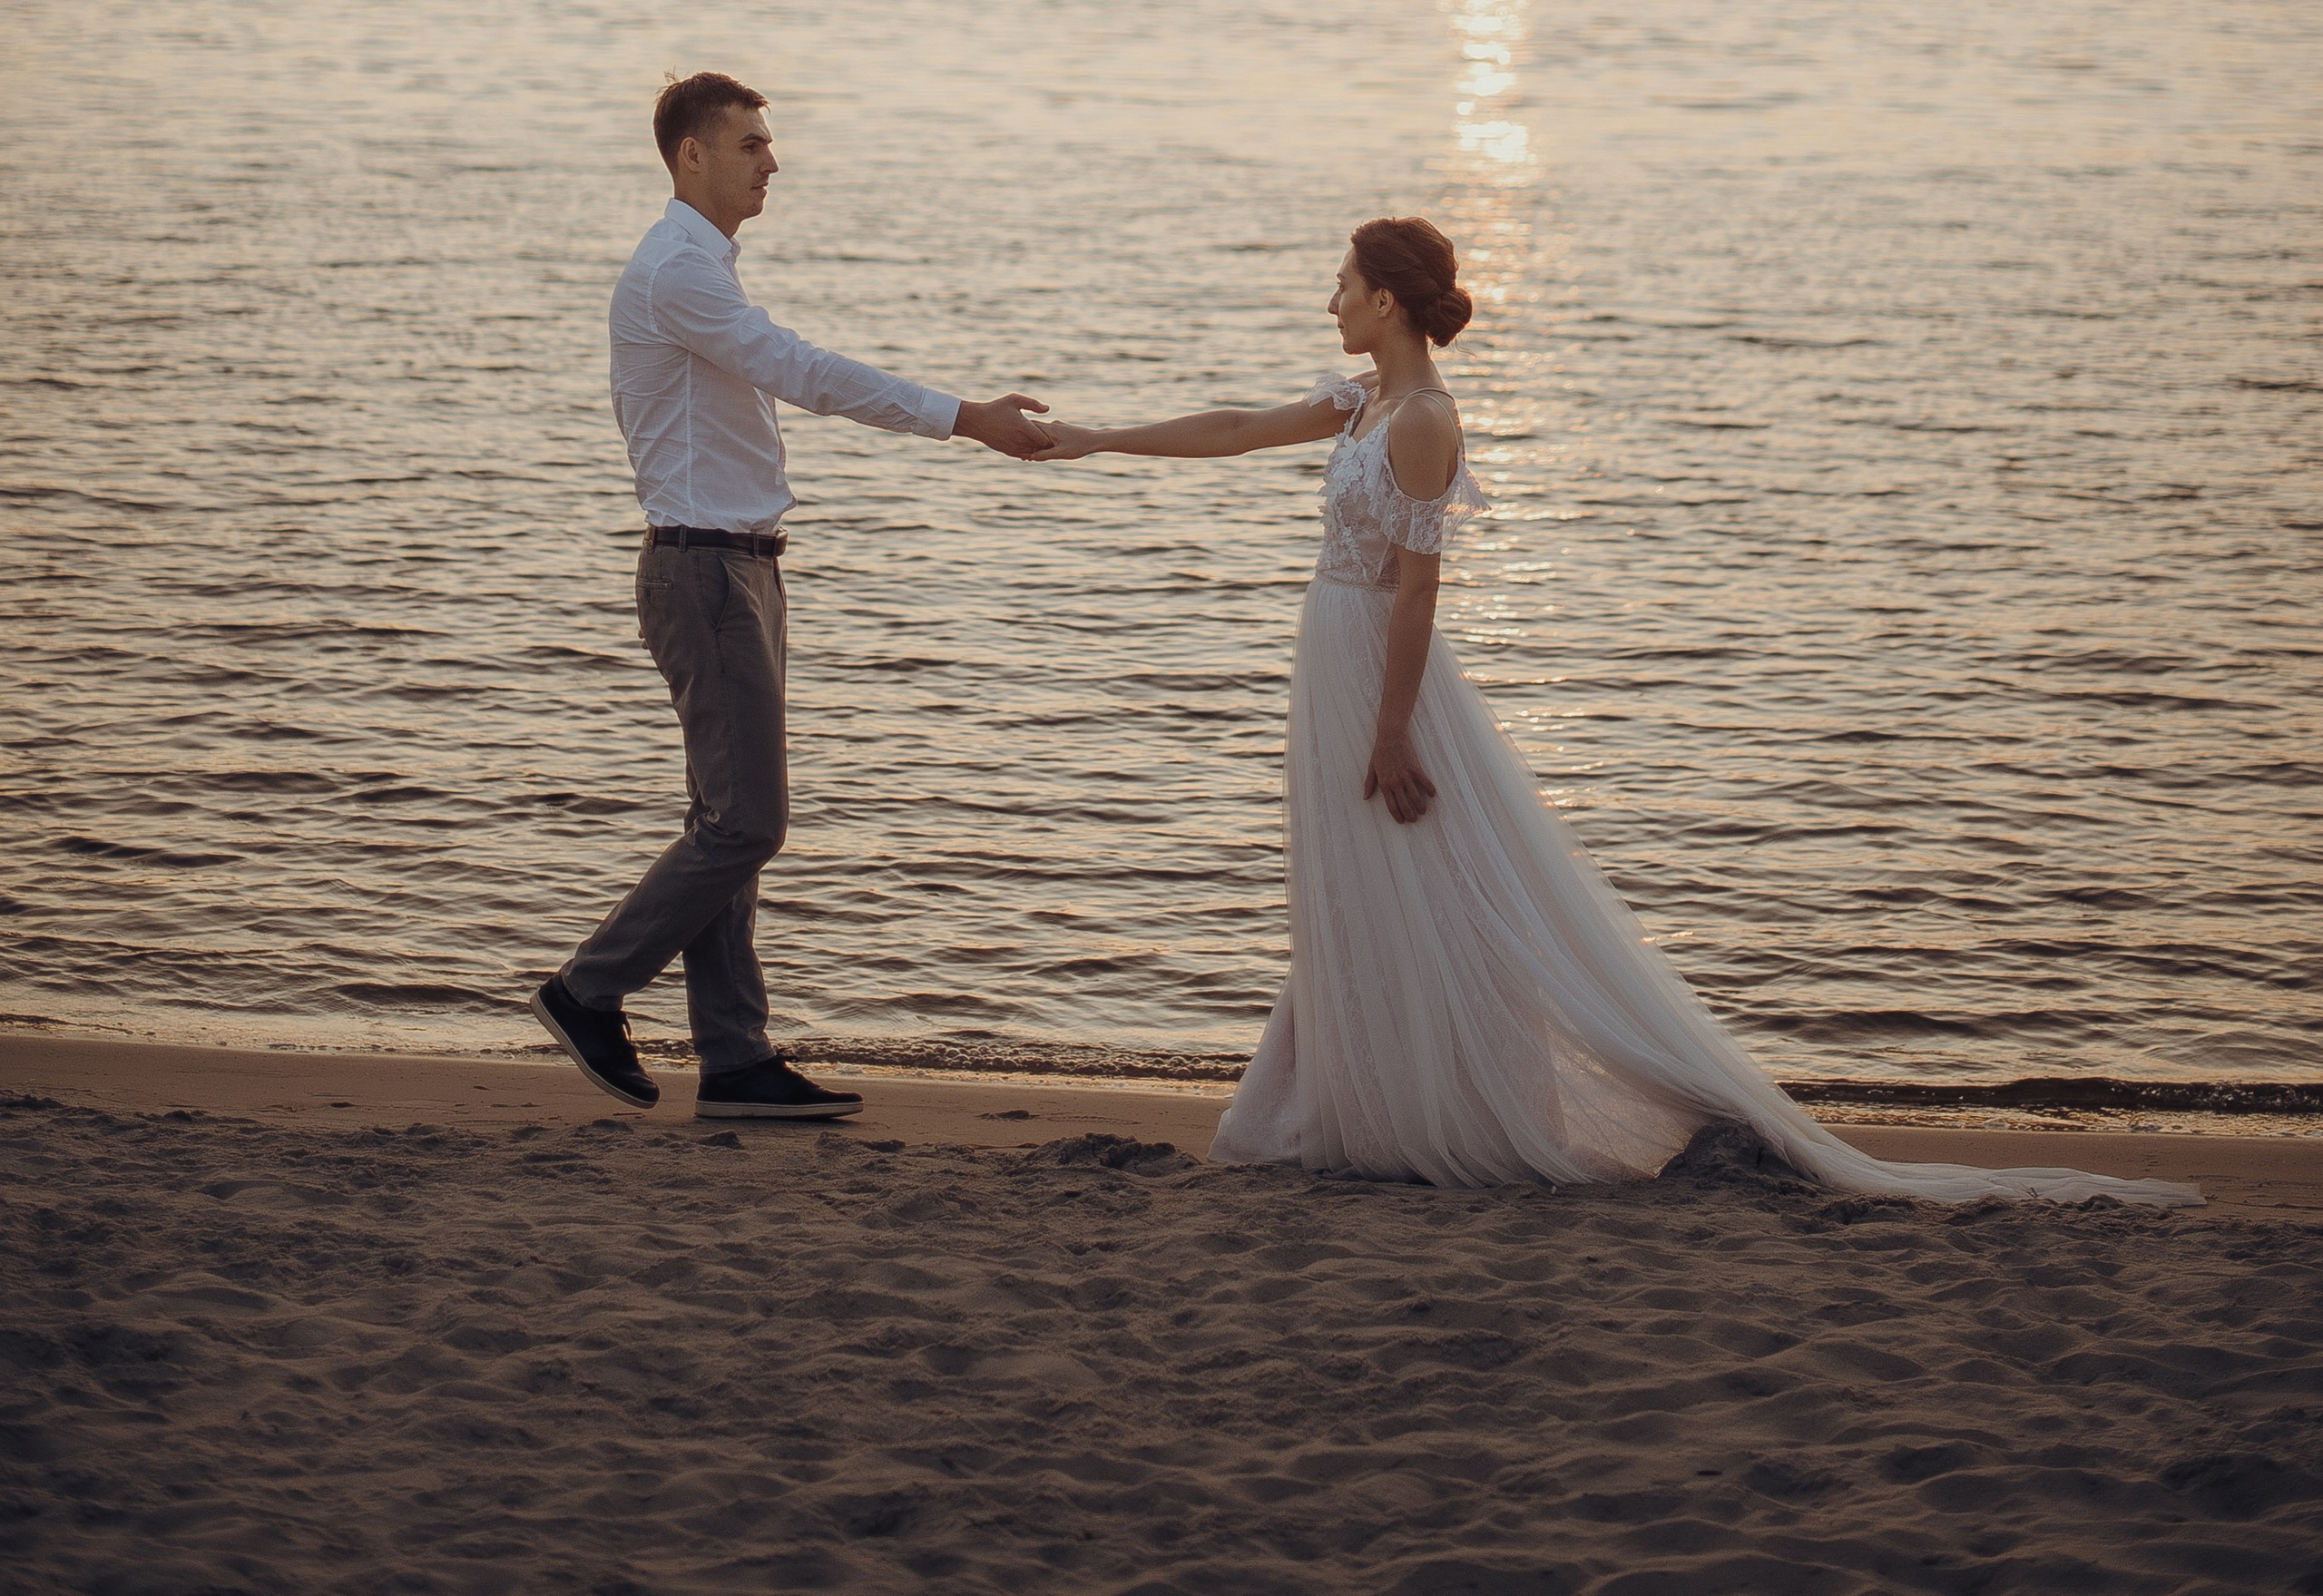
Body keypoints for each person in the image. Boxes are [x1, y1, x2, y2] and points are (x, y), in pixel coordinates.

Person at [1032, 215, 2198, 1205]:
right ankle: (1351, 1098)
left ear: (1384, 299)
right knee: (1356, 879)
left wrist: (1392, 729)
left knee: (1421, 870)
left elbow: (1420, 589)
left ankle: (1452, 1105)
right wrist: (1093, 438)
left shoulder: (1424, 418)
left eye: (1340, 282)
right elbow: (1233, 427)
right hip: (1330, 652)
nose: (1326, 297)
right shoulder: (1360, 400)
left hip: (1377, 668)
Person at [532, 71, 1049, 1122]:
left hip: (740, 566)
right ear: (691, 155)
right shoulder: (678, 269)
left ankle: (734, 1058)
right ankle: (587, 989)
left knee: (724, 816)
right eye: (752, 143)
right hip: (704, 569)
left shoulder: (698, 267)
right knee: (747, 822)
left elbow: (775, 369)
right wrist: (966, 417)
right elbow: (799, 368)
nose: (772, 159)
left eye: (769, 142)